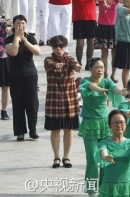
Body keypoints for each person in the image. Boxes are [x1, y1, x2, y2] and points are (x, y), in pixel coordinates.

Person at [79, 58, 127, 196]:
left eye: (102, 67)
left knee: (107, 157)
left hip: (106, 124)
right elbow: (89, 87)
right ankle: (91, 189)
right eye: (97, 67)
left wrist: (120, 91)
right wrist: (99, 89)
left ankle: (105, 187)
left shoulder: (107, 81)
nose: (100, 70)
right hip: (90, 124)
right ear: (91, 68)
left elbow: (114, 88)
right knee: (93, 158)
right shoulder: (85, 81)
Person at [43, 35, 80, 168]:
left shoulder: (69, 58)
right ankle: (56, 157)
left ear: (65, 47)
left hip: (69, 101)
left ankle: (66, 157)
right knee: (55, 130)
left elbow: (74, 63)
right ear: (52, 48)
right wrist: (56, 65)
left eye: (61, 46)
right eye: (55, 46)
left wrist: (77, 66)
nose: (58, 49)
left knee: (68, 129)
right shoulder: (48, 60)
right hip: (54, 101)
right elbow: (50, 65)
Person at [4, 15, 41, 141]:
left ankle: (33, 130)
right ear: (14, 25)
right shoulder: (9, 39)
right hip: (15, 76)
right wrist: (17, 37)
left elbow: (37, 51)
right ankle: (20, 132)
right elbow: (13, 52)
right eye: (18, 23)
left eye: (23, 23)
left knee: (32, 104)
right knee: (18, 104)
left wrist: (26, 42)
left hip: (30, 75)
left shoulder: (30, 37)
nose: (21, 26)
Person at [95, 0, 120, 82]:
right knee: (104, 53)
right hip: (102, 26)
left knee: (115, 53)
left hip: (114, 27)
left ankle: (113, 75)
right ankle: (105, 74)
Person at [72, 0, 98, 67]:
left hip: (91, 18)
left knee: (91, 42)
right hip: (79, 18)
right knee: (80, 43)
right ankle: (79, 62)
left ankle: (89, 62)